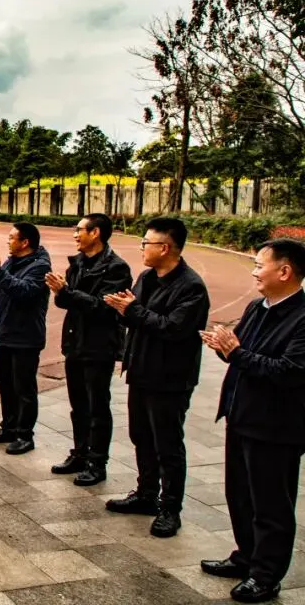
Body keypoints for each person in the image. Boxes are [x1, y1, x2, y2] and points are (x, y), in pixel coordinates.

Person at [197, 240, 305, 603]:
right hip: (242, 416)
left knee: (271, 504)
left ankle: (266, 574)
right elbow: (242, 351)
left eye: (260, 265)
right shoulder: (257, 307)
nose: (255, 271)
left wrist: (236, 352)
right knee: (239, 495)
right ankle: (246, 557)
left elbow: (289, 372)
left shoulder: (302, 318)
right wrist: (223, 345)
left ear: (285, 271)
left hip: (276, 427)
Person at [104, 217, 210, 539]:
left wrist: (132, 310)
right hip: (141, 372)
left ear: (165, 248)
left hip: (170, 379)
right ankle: (146, 493)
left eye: (146, 243)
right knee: (141, 436)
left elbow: (172, 328)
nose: (141, 249)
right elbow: (134, 316)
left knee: (168, 445)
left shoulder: (191, 287)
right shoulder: (147, 277)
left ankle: (170, 509)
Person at [45, 213, 132, 487]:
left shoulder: (116, 268)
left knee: (97, 406)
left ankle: (97, 461)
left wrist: (67, 292)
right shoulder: (78, 263)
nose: (75, 234)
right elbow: (65, 303)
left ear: (96, 233)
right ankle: (80, 453)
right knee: (78, 405)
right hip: (75, 342)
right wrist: (62, 292)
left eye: (79, 229)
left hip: (99, 346)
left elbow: (103, 307)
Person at [0, 222, 51, 456]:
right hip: (5, 333)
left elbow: (23, 291)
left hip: (26, 336)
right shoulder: (13, 261)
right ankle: (9, 427)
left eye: (12, 238)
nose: (8, 241)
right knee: (6, 385)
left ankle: (24, 434)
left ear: (25, 242)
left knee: (23, 388)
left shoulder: (40, 266)